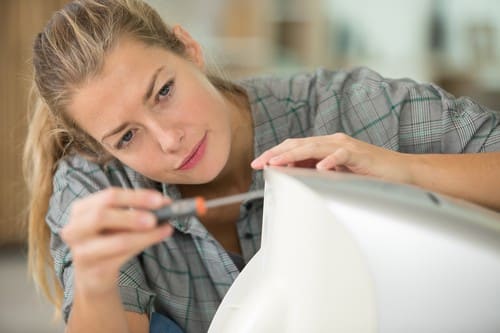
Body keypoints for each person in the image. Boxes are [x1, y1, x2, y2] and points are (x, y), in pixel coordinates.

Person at [23, 0, 500, 332]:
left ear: (188, 48)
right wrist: (94, 279)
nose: (170, 141)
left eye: (164, 92)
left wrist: (403, 171)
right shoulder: (94, 188)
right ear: (101, 150)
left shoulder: (353, 107)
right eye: (127, 136)